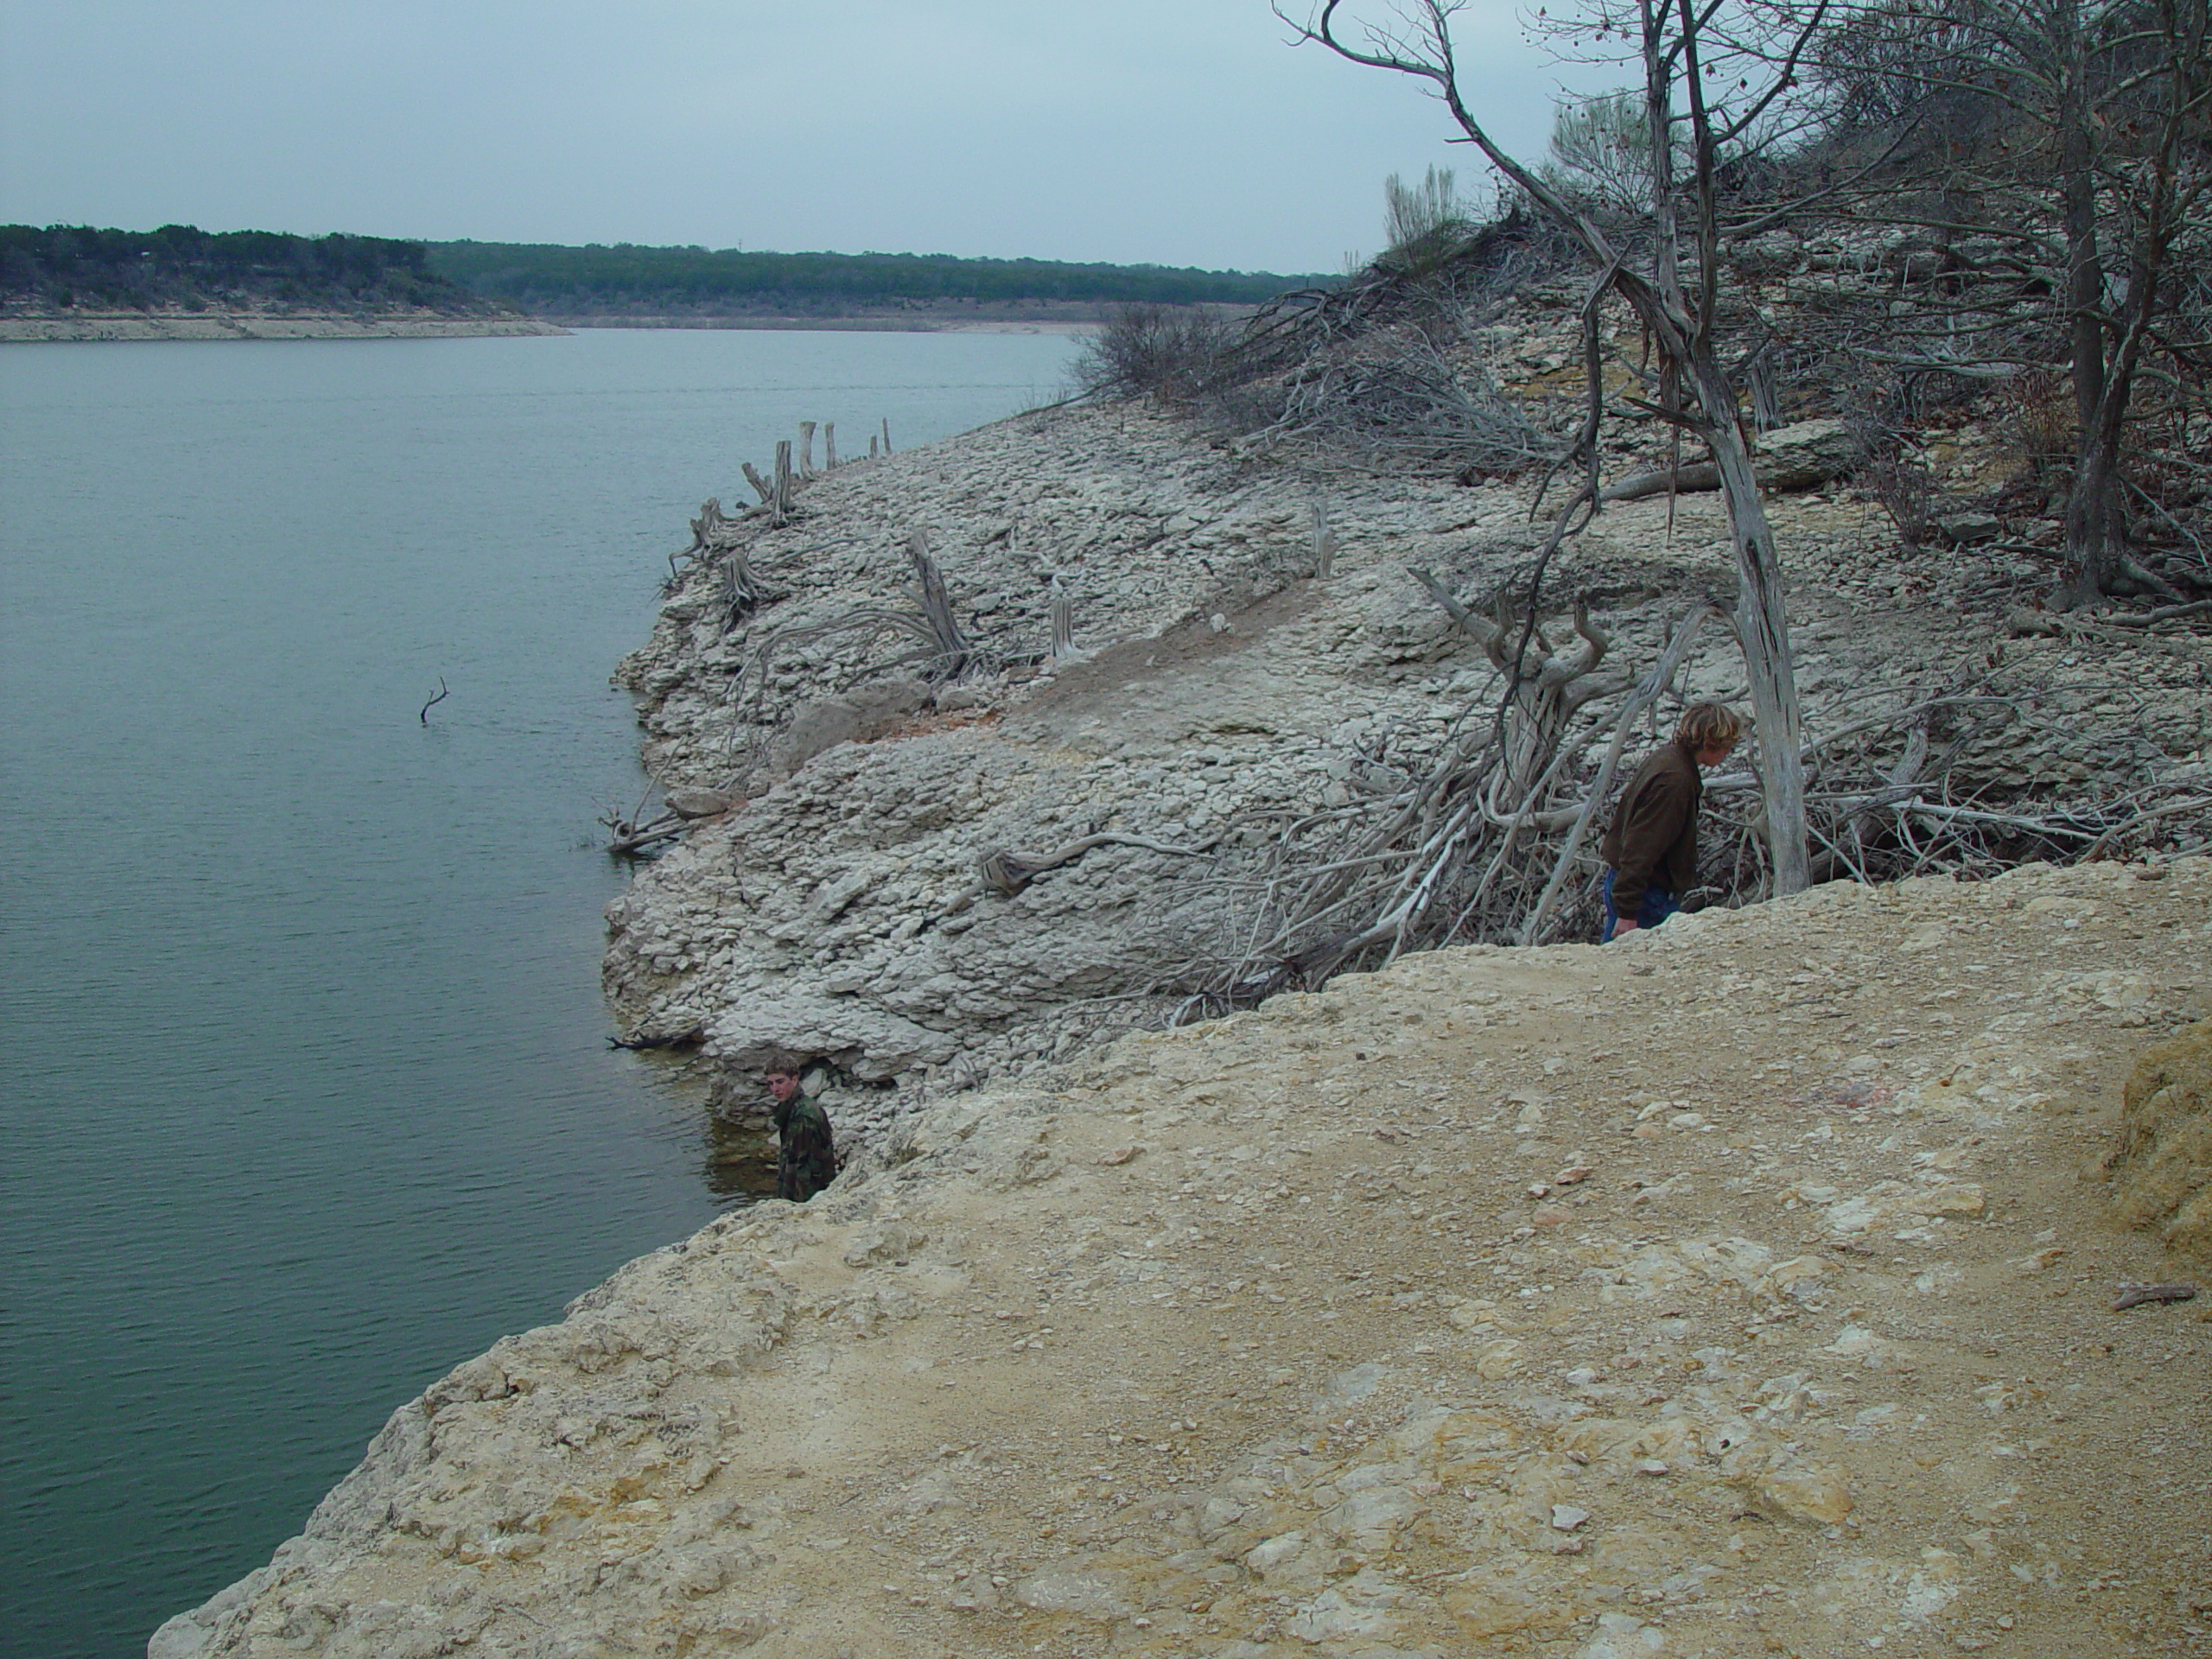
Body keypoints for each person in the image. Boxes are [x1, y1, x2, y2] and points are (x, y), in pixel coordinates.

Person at [1599, 702, 1743, 941]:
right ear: (1709, 742)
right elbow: (1641, 846)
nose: (1728, 752)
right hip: (1645, 893)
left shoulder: (1667, 757)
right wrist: (1628, 911)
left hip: (1633, 886)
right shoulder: (1675, 782)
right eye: (1727, 745)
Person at [763, 1050, 838, 1202]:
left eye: (780, 1082)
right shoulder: (791, 1108)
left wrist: (784, 1203)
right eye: (771, 1083)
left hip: (811, 1194)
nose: (775, 1089)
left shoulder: (804, 1114)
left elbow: (799, 1166)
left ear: (795, 1079)